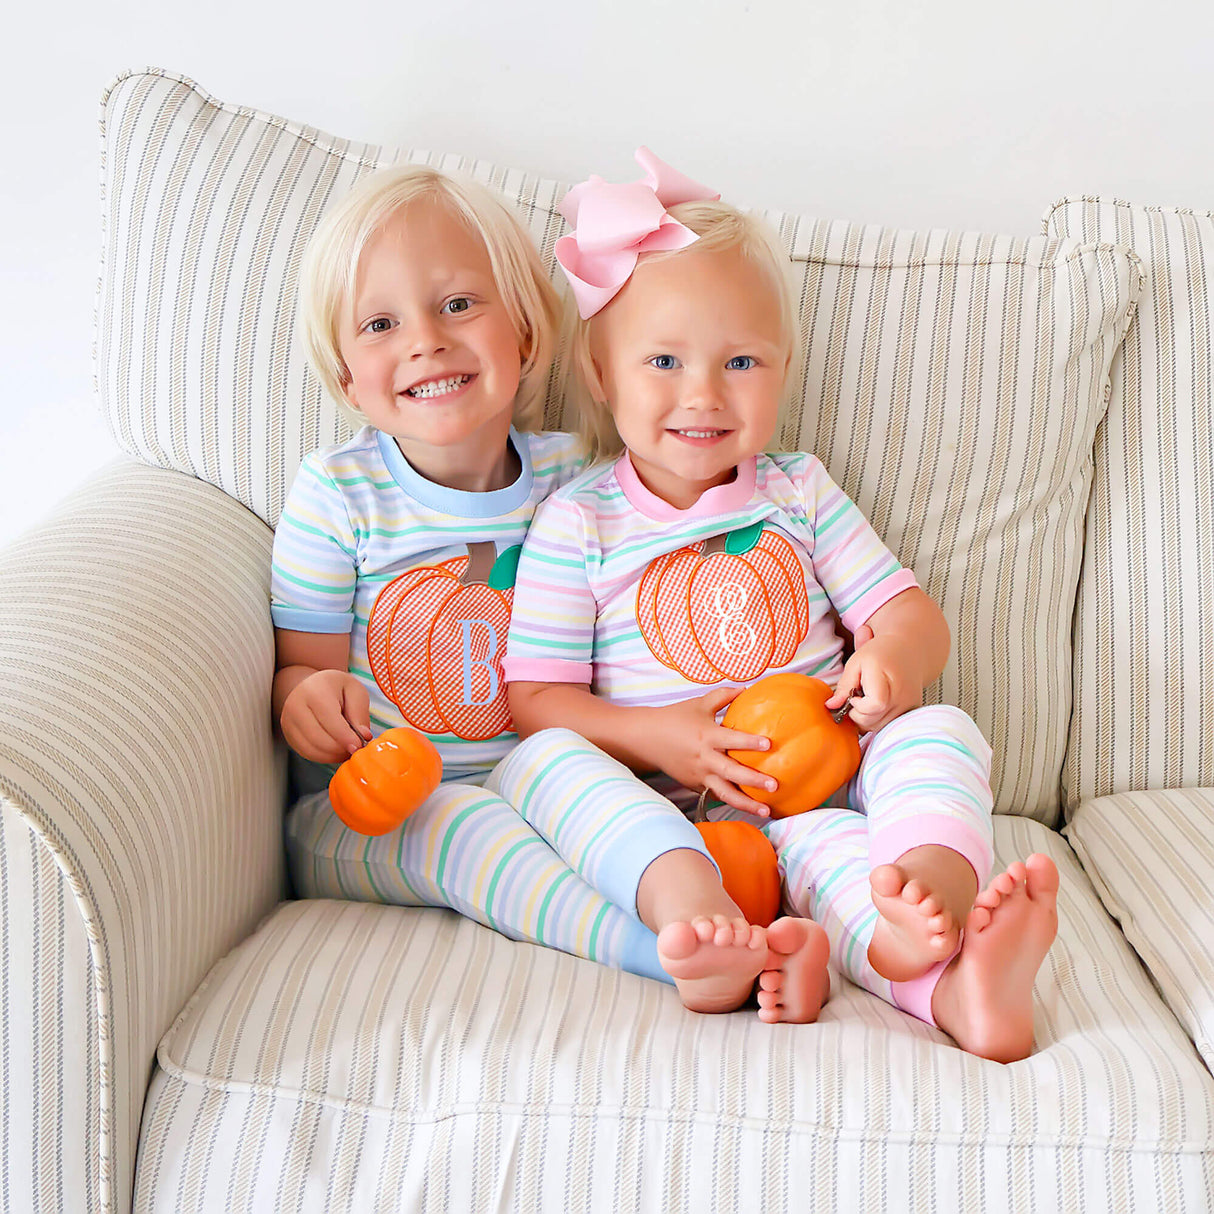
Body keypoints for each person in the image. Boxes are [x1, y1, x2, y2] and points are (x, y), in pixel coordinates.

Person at [502, 149, 1059, 1061]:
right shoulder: (579, 520)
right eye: (664, 361)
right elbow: (537, 703)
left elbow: (912, 615)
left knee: (936, 734)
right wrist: (663, 739)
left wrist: (893, 662)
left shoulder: (797, 492)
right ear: (600, 375)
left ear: (784, 369)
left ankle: (937, 925)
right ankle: (737, 933)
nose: (704, 395)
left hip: (824, 801)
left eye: (741, 361)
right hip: (675, 823)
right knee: (547, 766)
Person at [273, 163, 694, 985]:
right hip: (370, 812)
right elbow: (301, 670)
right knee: (464, 825)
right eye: (380, 324)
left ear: (528, 335)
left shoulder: (580, 482)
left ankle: (700, 910)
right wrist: (308, 702)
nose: (426, 339)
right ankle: (668, 957)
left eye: (458, 304)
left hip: (539, 776)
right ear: (346, 378)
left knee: (567, 770)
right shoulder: (339, 495)